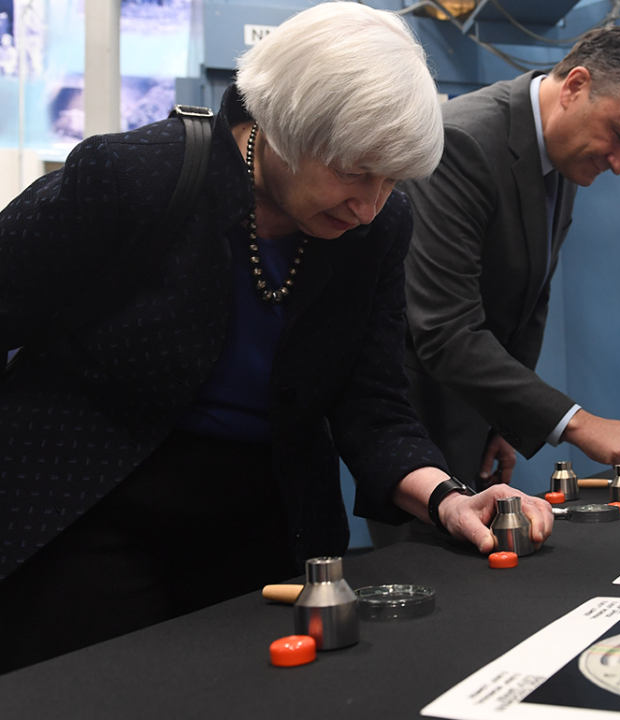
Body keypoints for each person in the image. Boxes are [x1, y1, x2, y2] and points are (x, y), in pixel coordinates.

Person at [0, 2, 551, 674]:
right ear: (283, 126)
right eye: (355, 171)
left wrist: (448, 497)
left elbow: (372, 407)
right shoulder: (132, 178)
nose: (369, 206)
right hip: (87, 514)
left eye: (391, 181)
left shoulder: (378, 229)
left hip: (261, 528)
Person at [401, 26, 620, 491]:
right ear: (575, 86)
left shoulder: (563, 153)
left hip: (475, 417)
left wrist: (506, 422)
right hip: (418, 425)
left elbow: (528, 303)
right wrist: (579, 424)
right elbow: (444, 329)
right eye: (619, 135)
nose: (619, 163)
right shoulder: (462, 142)